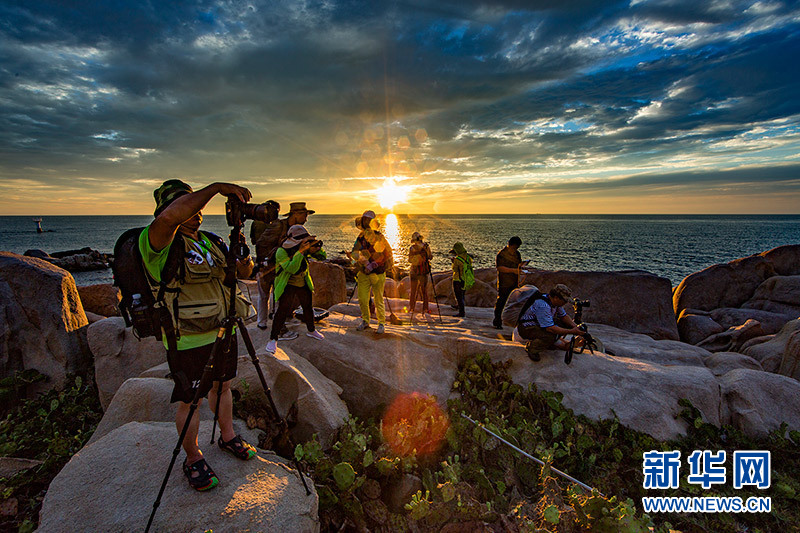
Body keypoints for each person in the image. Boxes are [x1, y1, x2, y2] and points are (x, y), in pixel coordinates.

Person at [140, 179, 258, 492]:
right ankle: (192, 457)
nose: (196, 209)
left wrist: (241, 249)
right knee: (190, 401)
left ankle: (228, 436)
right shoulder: (158, 239)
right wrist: (215, 188)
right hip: (186, 337)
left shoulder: (211, 241)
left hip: (223, 329)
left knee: (223, 386)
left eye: (195, 204)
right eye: (186, 203)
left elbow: (245, 274)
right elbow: (168, 219)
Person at [254, 202, 318, 334]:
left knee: (279, 296)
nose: (306, 220)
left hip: (282, 268)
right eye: (304, 216)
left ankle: (278, 323)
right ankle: (262, 323)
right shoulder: (279, 226)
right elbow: (261, 243)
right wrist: (265, 263)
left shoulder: (296, 230)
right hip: (268, 267)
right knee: (264, 295)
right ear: (296, 214)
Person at [265, 225, 326, 353]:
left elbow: (322, 257)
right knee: (282, 310)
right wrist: (300, 252)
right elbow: (291, 268)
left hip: (303, 282)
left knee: (308, 307)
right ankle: (273, 339)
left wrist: (317, 249)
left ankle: (311, 330)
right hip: (288, 284)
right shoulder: (281, 252)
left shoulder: (303, 249)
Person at [347, 210, 393, 334]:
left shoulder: (379, 237)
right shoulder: (360, 237)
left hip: (377, 273)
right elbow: (355, 251)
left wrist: (372, 265)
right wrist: (355, 257)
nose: (366, 222)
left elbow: (385, 253)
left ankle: (381, 323)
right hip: (363, 273)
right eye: (365, 220)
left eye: (368, 220)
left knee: (378, 298)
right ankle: (365, 321)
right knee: (362, 298)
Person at [517, 284, 584, 361]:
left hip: (539, 324)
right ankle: (532, 348)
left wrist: (575, 326)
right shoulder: (543, 305)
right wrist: (572, 331)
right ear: (556, 298)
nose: (565, 303)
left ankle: (548, 343)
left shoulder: (554, 303)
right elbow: (550, 329)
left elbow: (564, 316)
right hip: (527, 327)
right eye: (564, 300)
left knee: (563, 325)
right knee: (550, 336)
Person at [493, 236, 523, 329]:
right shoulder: (502, 254)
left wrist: (521, 268)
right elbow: (499, 268)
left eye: (517, 248)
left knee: (514, 302)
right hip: (504, 282)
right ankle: (497, 320)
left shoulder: (517, 254)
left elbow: (519, 265)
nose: (515, 249)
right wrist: (513, 270)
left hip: (514, 281)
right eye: (514, 247)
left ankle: (511, 321)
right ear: (510, 245)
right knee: (501, 301)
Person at [407, 232, 432, 320]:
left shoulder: (412, 248)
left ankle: (411, 308)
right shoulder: (426, 247)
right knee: (424, 291)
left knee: (413, 291)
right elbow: (430, 257)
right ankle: (426, 309)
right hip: (424, 271)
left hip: (414, 271)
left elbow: (410, 260)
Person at [450, 242, 474, 317]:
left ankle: (461, 312)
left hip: (458, 279)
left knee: (458, 295)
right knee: (462, 294)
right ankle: (460, 306)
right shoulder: (468, 257)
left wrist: (453, 262)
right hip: (465, 279)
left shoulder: (457, 259)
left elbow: (455, 269)